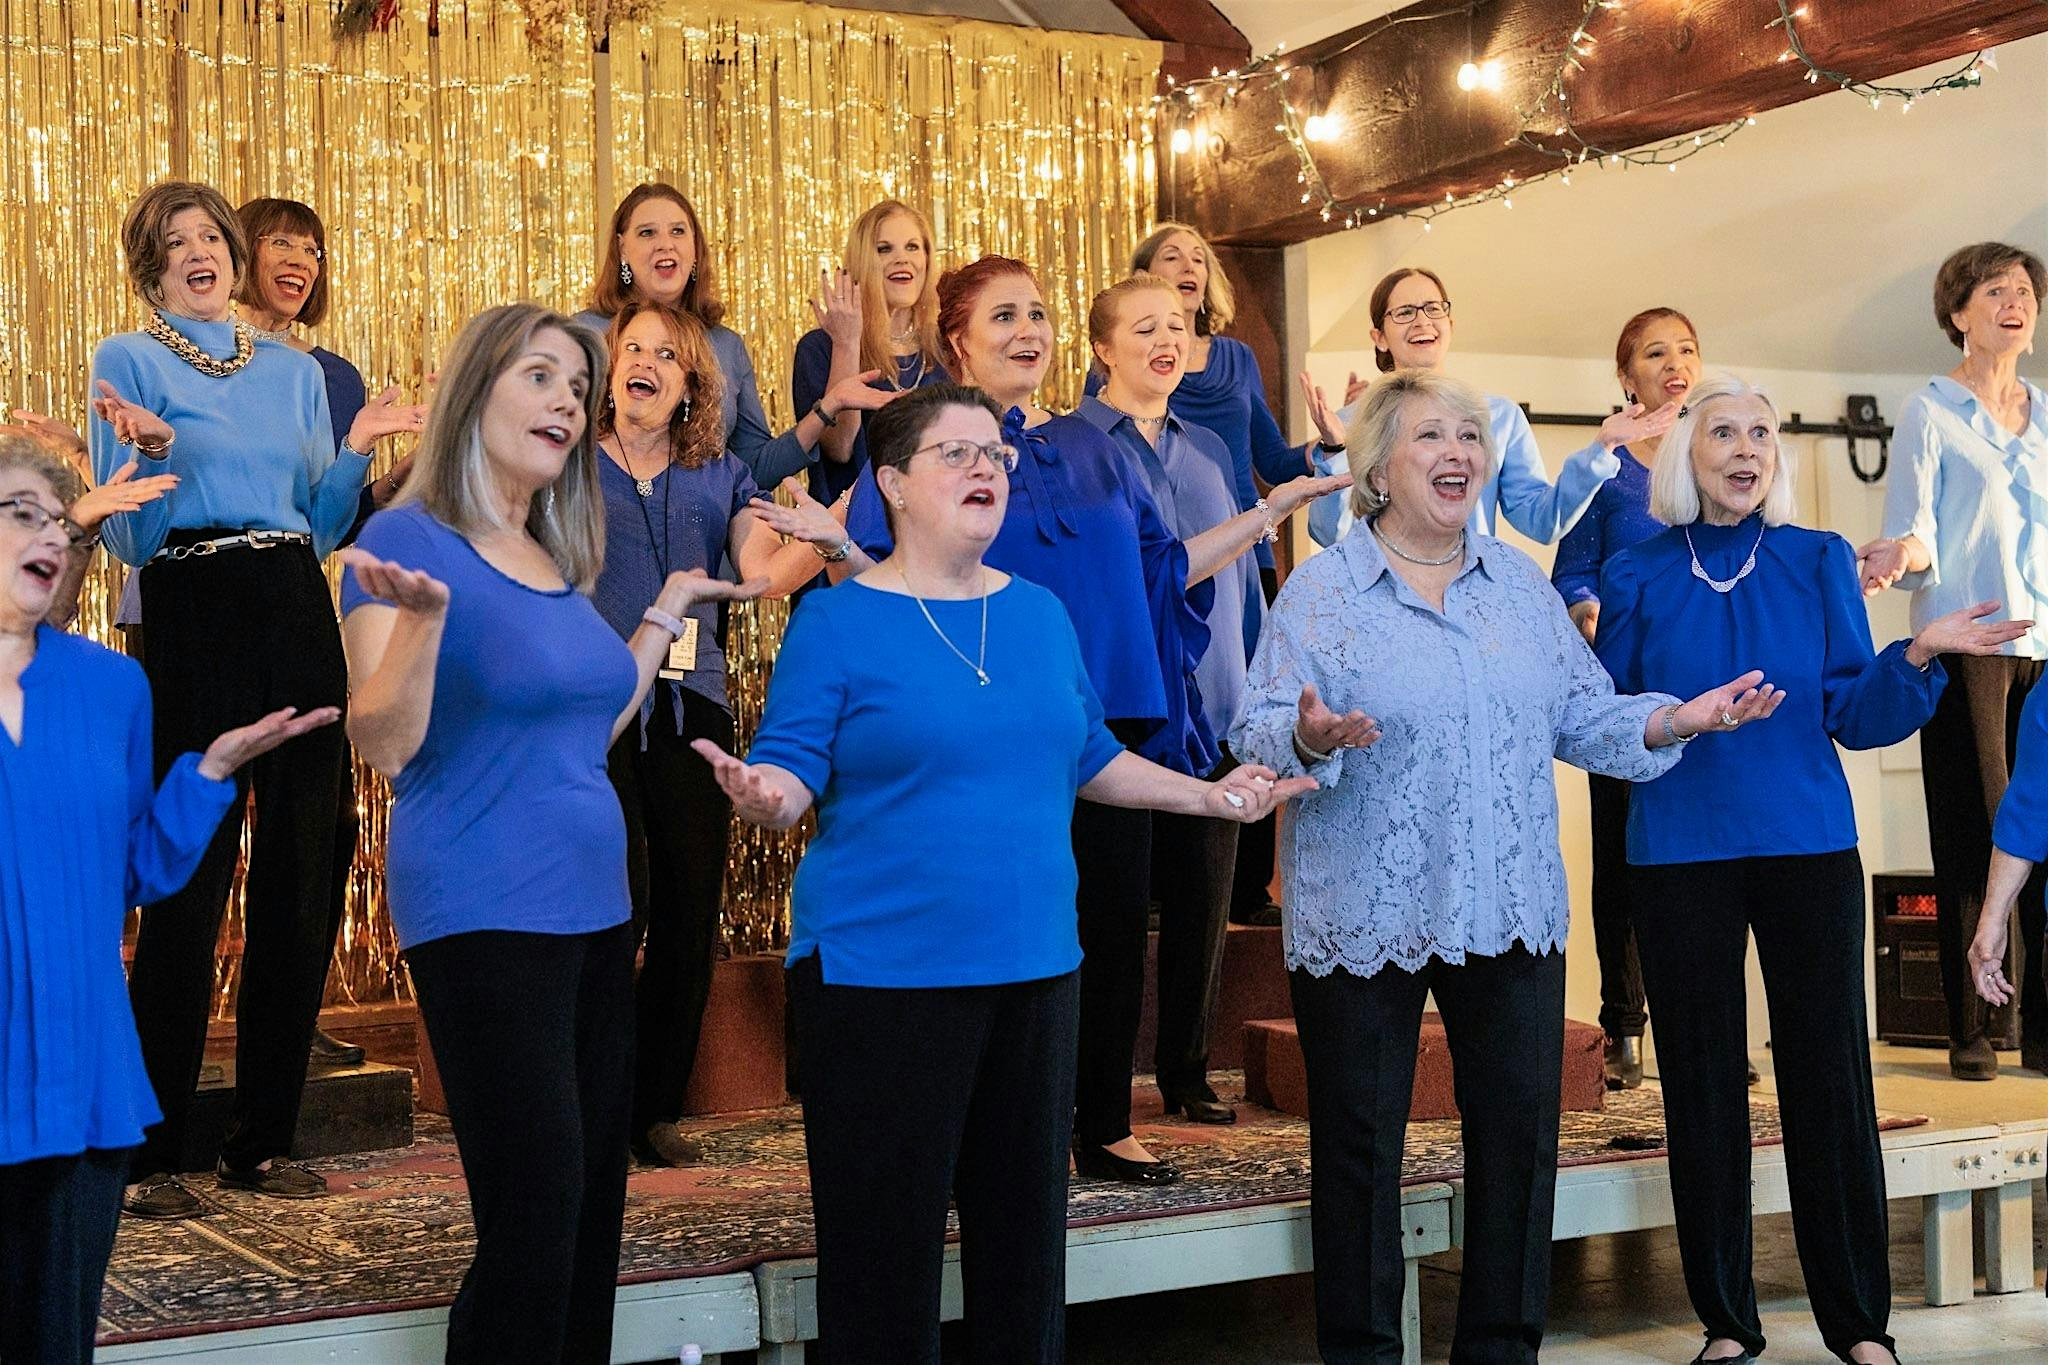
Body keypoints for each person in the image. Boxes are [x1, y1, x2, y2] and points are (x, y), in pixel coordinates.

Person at [693, 383, 1309, 1363]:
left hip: (1034, 972)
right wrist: (761, 795)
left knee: (1023, 1264)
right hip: (881, 984)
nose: (985, 468)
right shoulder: (839, 623)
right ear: (892, 484)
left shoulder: (1039, 614)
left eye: (995, 454)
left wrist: (1211, 797)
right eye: (956, 453)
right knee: (884, 1268)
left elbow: (1089, 754)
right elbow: (789, 771)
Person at [1231, 368, 1777, 1364]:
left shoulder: (1521, 589)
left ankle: (1499, 1349)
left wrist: (1675, 718)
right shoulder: (1321, 592)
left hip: (1508, 902)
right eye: (1431, 436)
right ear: (1378, 469)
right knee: (1357, 1148)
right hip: (1364, 906)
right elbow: (1256, 727)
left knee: (1519, 1144)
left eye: (1470, 437)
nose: (1458, 453)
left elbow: (1583, 714)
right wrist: (1307, 735)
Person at [818, 255, 1342, 1183]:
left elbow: (1163, 570)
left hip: (1107, 726)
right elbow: (870, 574)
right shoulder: (924, 442)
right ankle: (982, 1132)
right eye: (1004, 316)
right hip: (979, 734)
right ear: (956, 340)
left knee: (1106, 933)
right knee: (992, 932)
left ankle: (1099, 1119)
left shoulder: (1092, 448)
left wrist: (1270, 510)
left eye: (1038, 313)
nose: (1029, 330)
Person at [338, 302, 764, 1362]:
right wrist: (423, 626)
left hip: (593, 910)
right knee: (535, 1208)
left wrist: (666, 606)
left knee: (588, 1209)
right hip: (485, 907)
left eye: (578, 386)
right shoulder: (403, 539)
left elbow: (590, 713)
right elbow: (383, 740)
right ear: (475, 392)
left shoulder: (549, 551)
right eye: (540, 377)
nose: (568, 401)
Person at [1596, 374, 2023, 1365]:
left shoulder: (1818, 557)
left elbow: (1854, 715)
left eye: (1760, 434)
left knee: (1828, 1084)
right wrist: (1678, 719)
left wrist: (1915, 655)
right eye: (1723, 433)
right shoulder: (1636, 570)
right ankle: (1724, 1322)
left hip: (1807, 847)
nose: (1746, 449)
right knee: (1701, 1087)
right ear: (1687, 454)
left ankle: (1858, 1325)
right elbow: (1607, 721)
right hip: (1677, 852)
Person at [87, 180, 420, 1219]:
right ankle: (147, 1154)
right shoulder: (126, 360)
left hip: (292, 605)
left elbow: (318, 524)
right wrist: (148, 453)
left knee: (301, 876)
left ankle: (262, 1142)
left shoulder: (293, 371)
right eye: (174, 242)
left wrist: (358, 447)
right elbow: (127, 537)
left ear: (233, 256)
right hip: (194, 607)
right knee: (188, 883)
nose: (199, 252)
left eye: (210, 237)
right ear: (150, 269)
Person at [0, 432, 335, 1364]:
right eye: (20, 513)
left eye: (62, 522)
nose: (50, 535)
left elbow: (136, 871)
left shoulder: (113, 687)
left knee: (55, 1339)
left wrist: (209, 774)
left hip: (84, 1080)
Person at [1077, 273, 1346, 1124]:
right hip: (1118, 705)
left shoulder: (1205, 450)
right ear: (1101, 349)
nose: (1167, 341)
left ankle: (1187, 1072)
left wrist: (1252, 679)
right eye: (1144, 327)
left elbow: (1239, 583)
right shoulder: (1073, 447)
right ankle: (1096, 1093)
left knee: (1204, 903)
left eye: (1178, 326)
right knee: (1113, 912)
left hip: (1213, 700)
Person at [592, 299, 836, 1166]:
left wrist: (827, 535)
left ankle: (653, 1107)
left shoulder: (722, 474)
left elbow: (761, 572)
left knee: (688, 910)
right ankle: (595, 1100)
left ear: (693, 384)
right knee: (614, 905)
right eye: (632, 348)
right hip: (596, 706)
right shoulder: (570, 463)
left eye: (666, 354)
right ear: (610, 369)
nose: (645, 362)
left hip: (692, 709)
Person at [1860, 241, 2048, 1080]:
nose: (2015, 303)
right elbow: (1917, 528)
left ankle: (2039, 1025)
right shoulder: (1928, 411)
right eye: (1996, 290)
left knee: (2043, 831)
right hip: (1970, 646)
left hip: (2045, 647)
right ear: (1958, 314)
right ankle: (1974, 1026)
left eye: (2025, 292)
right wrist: (1899, 555)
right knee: (1977, 831)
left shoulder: (2046, 415)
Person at [1549, 306, 1706, 1089]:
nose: (1675, 364)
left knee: (1706, 864)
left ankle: (1701, 1026)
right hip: (1624, 699)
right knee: (1623, 859)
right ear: (1626, 376)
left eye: (1687, 350)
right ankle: (1625, 1025)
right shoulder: (1608, 470)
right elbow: (1570, 570)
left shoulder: (1717, 454)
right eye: (1655, 352)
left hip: (1709, 691)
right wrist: (1586, 609)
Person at [1306, 266, 1670, 548]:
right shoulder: (1351, 423)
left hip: (1468, 599)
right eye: (1404, 312)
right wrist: (1336, 450)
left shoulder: (1500, 417)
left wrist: (1601, 449)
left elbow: (1542, 521)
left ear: (1450, 324)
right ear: (1380, 337)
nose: (1422, 321)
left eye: (1433, 308)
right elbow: (1330, 535)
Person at [576, 182, 899, 487]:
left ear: (695, 249)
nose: (665, 243)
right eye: (647, 232)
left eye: (678, 231)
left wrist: (828, 407)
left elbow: (753, 469)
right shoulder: (585, 336)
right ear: (622, 248)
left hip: (707, 526)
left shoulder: (726, 345)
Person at [790, 199, 950, 505]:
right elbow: (840, 449)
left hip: (935, 519)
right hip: (850, 524)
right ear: (863, 262)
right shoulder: (820, 347)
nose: (902, 259)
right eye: (884, 249)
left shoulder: (945, 347)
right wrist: (847, 343)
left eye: (913, 247)